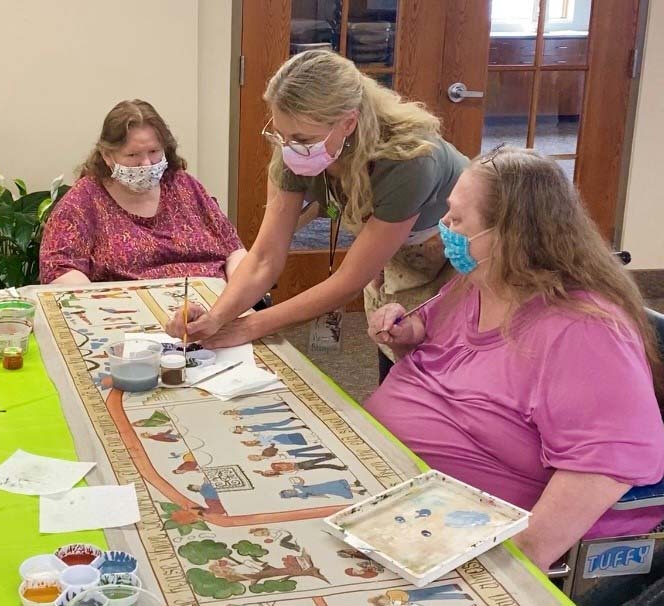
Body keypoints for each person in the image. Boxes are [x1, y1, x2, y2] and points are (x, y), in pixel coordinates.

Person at [363, 147, 664, 570]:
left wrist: (513, 571)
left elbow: (603, 467)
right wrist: (406, 335)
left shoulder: (585, 333)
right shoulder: (477, 282)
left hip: (471, 533)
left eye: (456, 220)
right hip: (404, 499)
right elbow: (440, 356)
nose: (443, 229)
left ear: (510, 233)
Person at [168, 50, 467, 377]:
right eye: (281, 134)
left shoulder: (410, 159)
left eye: (301, 138)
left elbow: (349, 281)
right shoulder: (299, 147)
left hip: (461, 262)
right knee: (395, 360)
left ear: (348, 122)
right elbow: (266, 257)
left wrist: (251, 325)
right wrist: (216, 317)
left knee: (443, 372)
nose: (289, 146)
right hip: (398, 257)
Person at [40, 99, 247, 284]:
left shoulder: (185, 186)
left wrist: (237, 296)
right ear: (107, 156)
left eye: (154, 152)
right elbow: (58, 268)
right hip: (129, 315)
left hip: (211, 307)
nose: (146, 163)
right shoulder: (84, 200)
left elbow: (234, 249)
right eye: (133, 155)